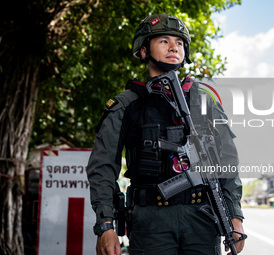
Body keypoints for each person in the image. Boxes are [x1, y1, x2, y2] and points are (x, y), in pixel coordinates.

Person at [86, 14, 245, 255]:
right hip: (151, 222)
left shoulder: (203, 101)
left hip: (203, 218)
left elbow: (227, 161)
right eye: (163, 41)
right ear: (143, 51)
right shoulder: (125, 105)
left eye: (179, 43)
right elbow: (102, 167)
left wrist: (234, 215)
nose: (173, 47)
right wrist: (106, 225)